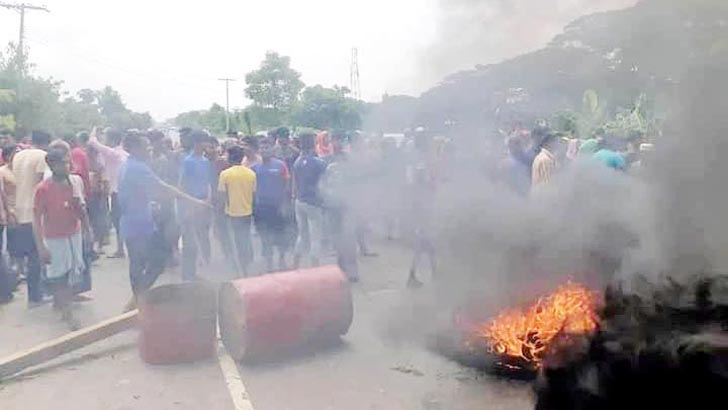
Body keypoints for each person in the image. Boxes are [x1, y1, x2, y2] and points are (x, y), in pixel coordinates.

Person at [118, 133, 209, 310]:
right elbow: (163, 187)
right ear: (135, 149)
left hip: (135, 222)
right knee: (154, 262)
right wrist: (195, 201)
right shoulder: (137, 168)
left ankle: (137, 301)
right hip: (138, 225)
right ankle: (137, 300)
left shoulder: (129, 165)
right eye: (146, 147)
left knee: (141, 265)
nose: (150, 150)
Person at [32, 147, 92, 329]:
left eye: (68, 162)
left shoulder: (75, 181)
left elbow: (82, 210)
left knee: (74, 271)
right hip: (55, 237)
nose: (69, 165)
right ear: (53, 165)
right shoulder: (43, 189)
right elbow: (36, 218)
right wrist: (41, 246)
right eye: (65, 162)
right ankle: (68, 312)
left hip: (73, 233)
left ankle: (64, 303)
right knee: (60, 275)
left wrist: (88, 231)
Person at [12, 130, 51, 306]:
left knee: (30, 256)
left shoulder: (18, 156)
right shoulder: (43, 156)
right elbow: (43, 183)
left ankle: (34, 293)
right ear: (46, 142)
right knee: (38, 255)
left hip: (20, 208)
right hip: (35, 210)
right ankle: (36, 296)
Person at [252, 137, 291, 272]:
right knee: (265, 237)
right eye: (261, 148)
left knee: (280, 235)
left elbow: (287, 184)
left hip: (278, 206)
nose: (264, 150)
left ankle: (281, 260)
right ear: (258, 151)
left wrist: (285, 204)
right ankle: (269, 264)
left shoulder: (280, 165)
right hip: (261, 208)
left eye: (266, 147)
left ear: (271, 149)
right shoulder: (254, 168)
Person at [89, 128, 128, 258]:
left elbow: (93, 143)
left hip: (117, 192)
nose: (104, 141)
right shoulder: (123, 154)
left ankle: (121, 249)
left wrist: (94, 131)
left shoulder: (113, 154)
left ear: (112, 140)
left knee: (118, 221)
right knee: (120, 221)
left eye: (106, 138)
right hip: (122, 191)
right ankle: (121, 248)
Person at [179, 130, 212, 281]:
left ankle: (199, 270)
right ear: (198, 143)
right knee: (190, 241)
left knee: (202, 236)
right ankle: (188, 275)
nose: (208, 145)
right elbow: (182, 185)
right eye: (205, 142)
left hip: (203, 203)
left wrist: (208, 199)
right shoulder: (188, 161)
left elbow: (207, 182)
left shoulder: (205, 161)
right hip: (191, 204)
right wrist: (188, 207)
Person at [218, 146, 256, 276]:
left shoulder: (225, 174)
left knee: (236, 241)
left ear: (230, 157)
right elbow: (254, 193)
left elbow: (222, 195)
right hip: (247, 212)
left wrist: (221, 211)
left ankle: (240, 269)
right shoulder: (251, 173)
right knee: (245, 238)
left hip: (232, 213)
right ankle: (247, 263)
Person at [406, 133, 437, 288]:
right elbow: (422, 182)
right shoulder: (420, 161)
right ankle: (412, 275)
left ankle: (435, 271)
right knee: (424, 239)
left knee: (429, 240)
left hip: (421, 204)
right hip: (422, 205)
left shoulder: (417, 158)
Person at [292, 133, 328, 268]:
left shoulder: (298, 161)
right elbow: (325, 184)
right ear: (314, 144)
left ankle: (295, 264)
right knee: (315, 238)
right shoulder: (319, 163)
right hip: (313, 202)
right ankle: (315, 268)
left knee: (302, 235)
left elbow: (295, 183)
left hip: (299, 201)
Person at [0, 144, 19, 274]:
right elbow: (2, 193)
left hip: (21, 209)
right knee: (10, 243)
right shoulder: (2, 172)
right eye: (15, 153)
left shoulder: (20, 171)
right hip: (9, 210)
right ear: (7, 156)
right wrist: (7, 212)